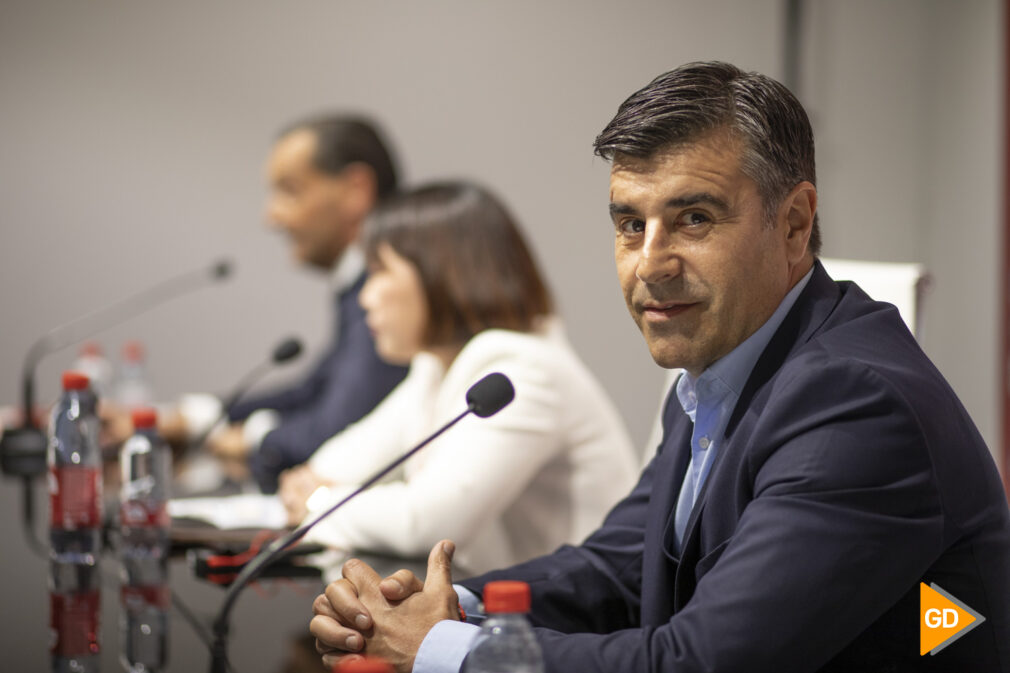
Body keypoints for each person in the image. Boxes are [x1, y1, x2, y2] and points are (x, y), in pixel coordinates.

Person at [308, 62, 1010, 672]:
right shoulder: (718, 372)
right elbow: (618, 564)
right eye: (629, 224)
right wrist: (452, 603)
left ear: (794, 223)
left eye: (695, 218)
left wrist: (441, 648)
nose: (651, 262)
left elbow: (701, 661)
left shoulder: (854, 402)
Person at [278, 181, 638, 576]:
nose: (366, 297)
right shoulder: (435, 366)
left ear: (443, 275)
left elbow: (427, 524)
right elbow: (334, 464)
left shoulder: (524, 369)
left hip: (573, 626)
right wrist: (323, 492)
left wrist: (318, 502)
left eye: (379, 273)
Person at [177, 115, 409, 492]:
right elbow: (315, 388)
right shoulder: (357, 283)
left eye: (289, 190)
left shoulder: (389, 294)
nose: (271, 217)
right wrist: (190, 418)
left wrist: (255, 438)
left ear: (356, 190)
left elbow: (341, 424)